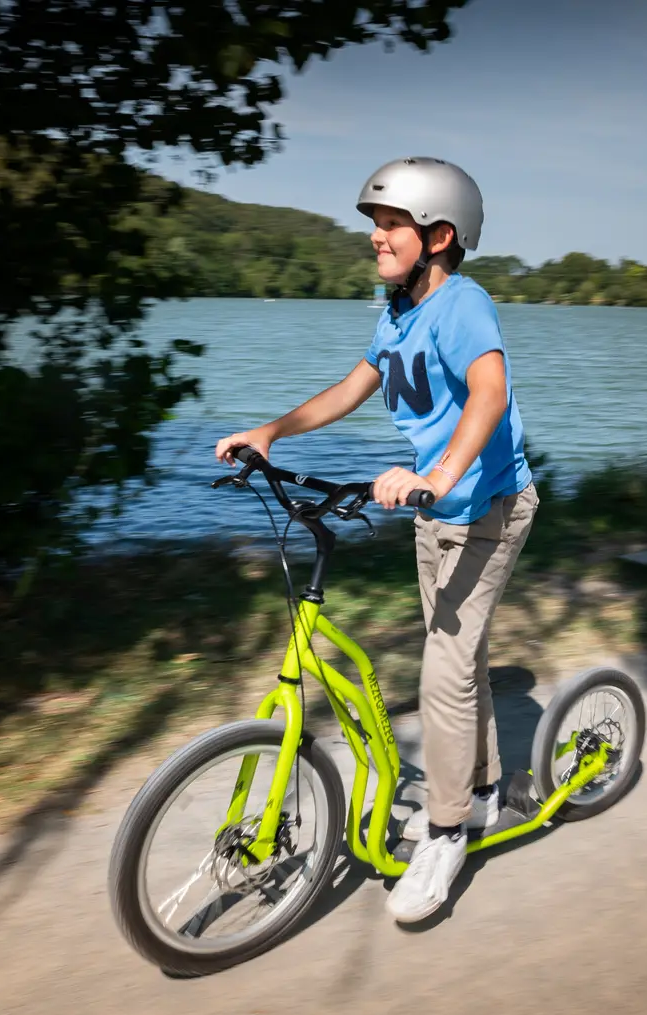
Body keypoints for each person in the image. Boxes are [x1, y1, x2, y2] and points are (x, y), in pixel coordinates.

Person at [214, 157, 535, 925]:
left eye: (390, 225)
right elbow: (355, 385)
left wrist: (439, 472)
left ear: (439, 235)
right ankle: (484, 788)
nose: (376, 238)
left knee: (443, 672)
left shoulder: (463, 304)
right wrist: (272, 430)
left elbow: (489, 392)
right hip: (436, 511)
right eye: (376, 225)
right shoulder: (397, 311)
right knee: (458, 655)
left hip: (486, 508)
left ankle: (450, 832)